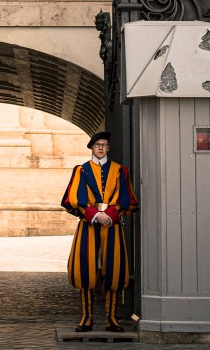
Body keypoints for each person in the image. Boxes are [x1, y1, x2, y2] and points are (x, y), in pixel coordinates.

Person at [61, 131, 139, 333]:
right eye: (97, 145)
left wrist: (110, 216)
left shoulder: (120, 171)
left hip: (112, 225)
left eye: (104, 144)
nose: (101, 148)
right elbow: (73, 199)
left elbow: (127, 199)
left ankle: (111, 319)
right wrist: (95, 215)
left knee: (113, 271)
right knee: (85, 270)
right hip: (89, 224)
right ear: (91, 148)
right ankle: (86, 318)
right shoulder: (81, 170)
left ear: (109, 147)